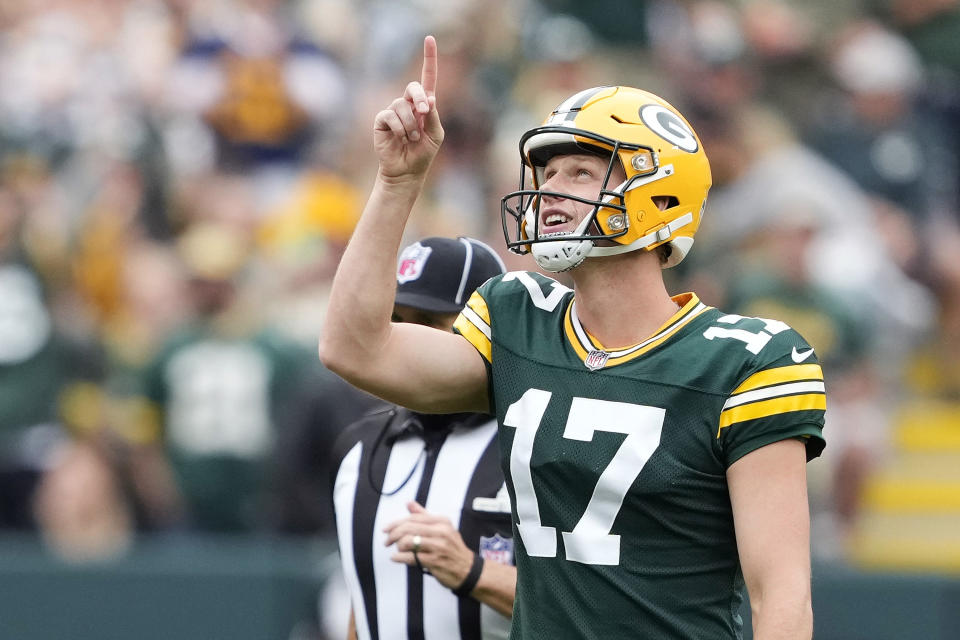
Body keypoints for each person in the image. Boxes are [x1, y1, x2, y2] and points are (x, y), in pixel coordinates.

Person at [320, 36, 826, 640]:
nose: (550, 190)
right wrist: (397, 183)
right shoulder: (518, 315)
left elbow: (783, 596)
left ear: (659, 197)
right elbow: (355, 349)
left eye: (581, 172)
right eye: (548, 172)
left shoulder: (745, 360)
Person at [330, 235, 515, 640]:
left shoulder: (535, 440)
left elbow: (591, 608)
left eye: (428, 322)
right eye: (395, 320)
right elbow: (365, 606)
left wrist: (472, 572)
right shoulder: (360, 446)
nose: (403, 340)